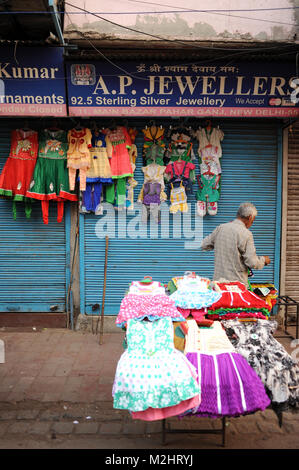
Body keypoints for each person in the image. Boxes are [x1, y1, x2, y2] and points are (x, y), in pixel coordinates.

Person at [201, 202, 271, 286]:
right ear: (250, 217)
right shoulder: (246, 234)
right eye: (253, 220)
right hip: (236, 286)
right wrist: (263, 260)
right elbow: (252, 262)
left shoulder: (221, 228)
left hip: (219, 284)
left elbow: (204, 245)